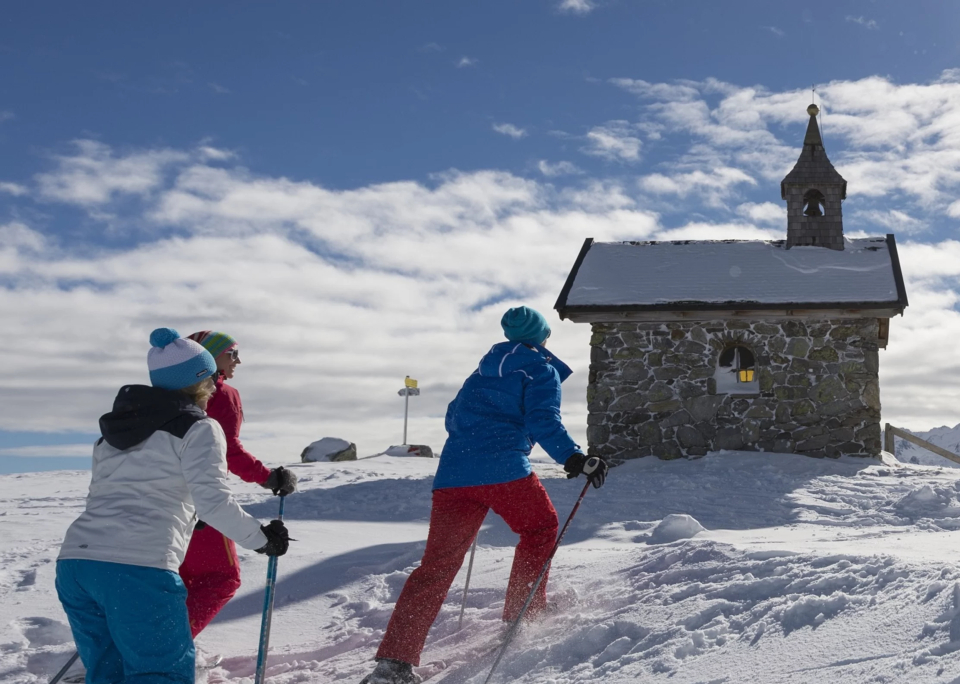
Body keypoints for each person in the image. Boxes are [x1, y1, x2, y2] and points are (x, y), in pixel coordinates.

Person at [360, 306, 609, 684]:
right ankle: (522, 615)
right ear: (542, 336)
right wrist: (575, 458)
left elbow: (451, 418)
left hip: (453, 477)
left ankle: (394, 663)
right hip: (504, 471)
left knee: (436, 566)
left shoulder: (477, 374)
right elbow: (543, 420)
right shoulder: (539, 369)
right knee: (541, 527)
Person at [56, 328, 290, 684]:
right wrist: (263, 539)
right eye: (210, 377)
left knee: (108, 672)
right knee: (160, 675)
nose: (216, 385)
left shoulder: (111, 433)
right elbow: (214, 501)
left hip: (76, 566)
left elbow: (120, 494)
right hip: (137, 569)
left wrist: (188, 515)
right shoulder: (200, 427)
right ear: (197, 380)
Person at [179, 330, 298, 637]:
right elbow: (226, 450)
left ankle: (138, 650)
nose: (238, 361)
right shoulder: (220, 394)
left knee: (176, 580)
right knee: (221, 577)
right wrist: (269, 478)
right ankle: (163, 651)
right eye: (232, 353)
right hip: (201, 504)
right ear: (210, 356)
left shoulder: (164, 394)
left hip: (157, 504)